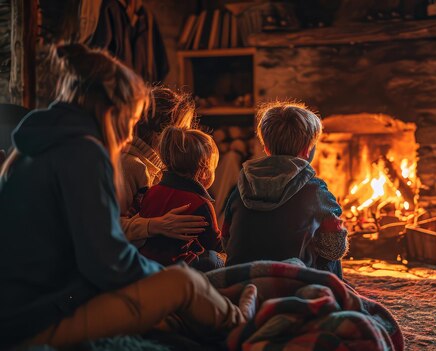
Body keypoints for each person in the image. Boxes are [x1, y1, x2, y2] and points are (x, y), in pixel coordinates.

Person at [0, 44, 249, 349]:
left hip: (23, 308)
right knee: (184, 282)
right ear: (113, 111)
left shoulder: (30, 148)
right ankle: (247, 330)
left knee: (175, 302)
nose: (130, 135)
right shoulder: (83, 153)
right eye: (131, 121)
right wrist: (162, 279)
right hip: (37, 320)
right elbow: (108, 263)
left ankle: (216, 315)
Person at [222, 101, 348, 278]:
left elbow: (226, 240)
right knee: (330, 248)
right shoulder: (315, 191)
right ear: (307, 150)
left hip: (241, 276)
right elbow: (335, 249)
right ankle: (336, 291)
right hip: (292, 279)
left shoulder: (241, 188)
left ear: (266, 148)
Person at [120, 86, 208, 244]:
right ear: (161, 133)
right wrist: (155, 225)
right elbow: (106, 227)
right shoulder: (128, 165)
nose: (186, 139)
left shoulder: (162, 167)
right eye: (182, 131)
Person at [139, 126, 223, 270]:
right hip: (179, 269)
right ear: (204, 170)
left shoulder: (152, 192)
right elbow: (214, 244)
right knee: (214, 258)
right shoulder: (200, 203)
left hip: (147, 266)